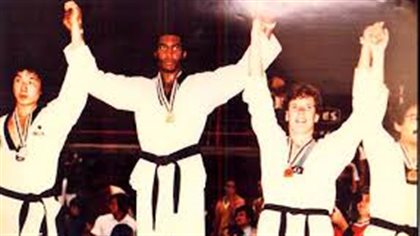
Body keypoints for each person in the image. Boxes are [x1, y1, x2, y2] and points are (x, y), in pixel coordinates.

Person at [62, 1, 281, 235]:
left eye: (175, 47)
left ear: (184, 52)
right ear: (156, 52)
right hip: (150, 178)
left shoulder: (201, 86)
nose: (169, 52)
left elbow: (241, 73)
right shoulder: (140, 90)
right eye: (164, 47)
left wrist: (264, 28)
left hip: (186, 178)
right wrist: (76, 30)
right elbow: (96, 80)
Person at [242, 21, 388, 235]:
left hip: (315, 227)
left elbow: (364, 113)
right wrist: (256, 36)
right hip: (274, 227)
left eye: (308, 108)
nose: (301, 113)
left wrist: (369, 49)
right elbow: (256, 90)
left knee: (364, 116)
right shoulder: (273, 142)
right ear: (286, 114)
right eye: (295, 107)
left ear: (317, 115)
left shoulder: (330, 149)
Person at [0, 26, 89, 235]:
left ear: (42, 88)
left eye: (31, 81)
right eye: (18, 79)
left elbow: (77, 87)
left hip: (37, 215)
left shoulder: (54, 118)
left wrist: (76, 33)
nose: (23, 87)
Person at [362, 23, 417, 235]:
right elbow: (371, 105)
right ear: (397, 124)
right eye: (414, 118)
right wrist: (377, 53)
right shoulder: (383, 148)